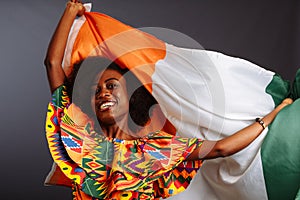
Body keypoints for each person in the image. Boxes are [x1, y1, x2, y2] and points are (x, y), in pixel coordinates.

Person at [44, 1, 293, 199]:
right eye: (94, 90)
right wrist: (70, 11)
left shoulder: (153, 149)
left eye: (111, 86)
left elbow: (221, 148)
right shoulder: (79, 135)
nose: (103, 93)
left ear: (130, 96)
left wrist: (272, 116)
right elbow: (53, 63)